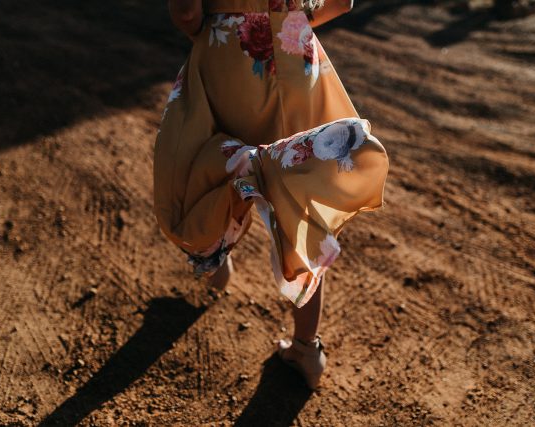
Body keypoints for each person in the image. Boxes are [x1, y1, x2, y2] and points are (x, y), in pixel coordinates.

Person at [155, 0, 389, 390]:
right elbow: (341, 2)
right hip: (297, 56)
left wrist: (207, 26)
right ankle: (306, 348)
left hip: (230, 58)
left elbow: (186, 12)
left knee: (208, 163)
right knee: (293, 188)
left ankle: (214, 254)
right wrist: (286, 18)